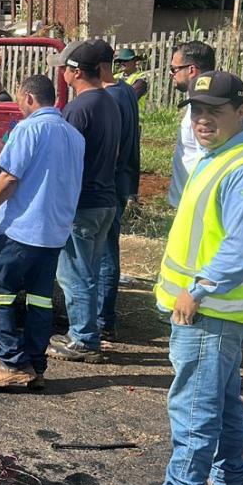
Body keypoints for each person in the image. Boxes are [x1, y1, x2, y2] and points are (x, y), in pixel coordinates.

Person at [117, 70, 243, 485]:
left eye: (215, 111)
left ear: (241, 111)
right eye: (197, 111)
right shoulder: (220, 157)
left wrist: (199, 288)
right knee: (223, 404)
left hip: (209, 309)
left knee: (194, 406)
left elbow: (242, 247)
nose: (203, 120)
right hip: (218, 309)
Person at [0, 74, 83, 390]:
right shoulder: (74, 136)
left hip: (22, 229)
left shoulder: (28, 128)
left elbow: (9, 178)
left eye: (20, 99)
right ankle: (36, 366)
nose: (19, 105)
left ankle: (13, 363)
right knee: (39, 301)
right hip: (55, 233)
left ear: (29, 98)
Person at [46, 40, 121, 364]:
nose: (61, 73)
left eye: (64, 68)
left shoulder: (79, 109)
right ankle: (86, 331)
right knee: (87, 270)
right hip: (106, 199)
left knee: (74, 273)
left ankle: (83, 339)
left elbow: (64, 160)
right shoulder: (110, 102)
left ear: (75, 71)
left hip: (83, 204)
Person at [98, 46, 141, 343]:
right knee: (107, 250)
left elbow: (107, 150)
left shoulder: (109, 98)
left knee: (103, 254)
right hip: (121, 181)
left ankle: (102, 321)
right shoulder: (125, 91)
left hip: (106, 185)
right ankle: (104, 319)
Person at [166, 41, 216, 208]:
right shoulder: (198, 103)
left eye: (174, 69)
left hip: (196, 206)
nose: (172, 74)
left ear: (192, 70)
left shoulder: (206, 111)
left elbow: (209, 160)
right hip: (189, 205)